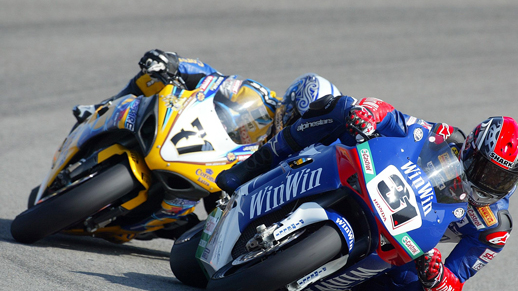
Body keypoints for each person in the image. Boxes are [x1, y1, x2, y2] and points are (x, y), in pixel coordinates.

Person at [216, 93, 518, 291]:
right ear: (471, 151)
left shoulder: (494, 228)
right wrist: (368, 114)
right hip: (380, 184)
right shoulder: (446, 138)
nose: (489, 183)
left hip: (407, 244)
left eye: (501, 179)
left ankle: (345, 279)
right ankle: (255, 165)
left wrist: (436, 274)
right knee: (340, 107)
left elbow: (452, 286)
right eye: (485, 170)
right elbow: (393, 118)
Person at [73, 49, 341, 239]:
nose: (294, 126)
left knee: (189, 228)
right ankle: (99, 107)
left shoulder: (290, 157)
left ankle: (164, 225)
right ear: (290, 103)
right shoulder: (258, 95)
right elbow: (213, 78)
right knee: (152, 78)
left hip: (213, 183)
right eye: (294, 118)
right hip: (192, 140)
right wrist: (174, 63)